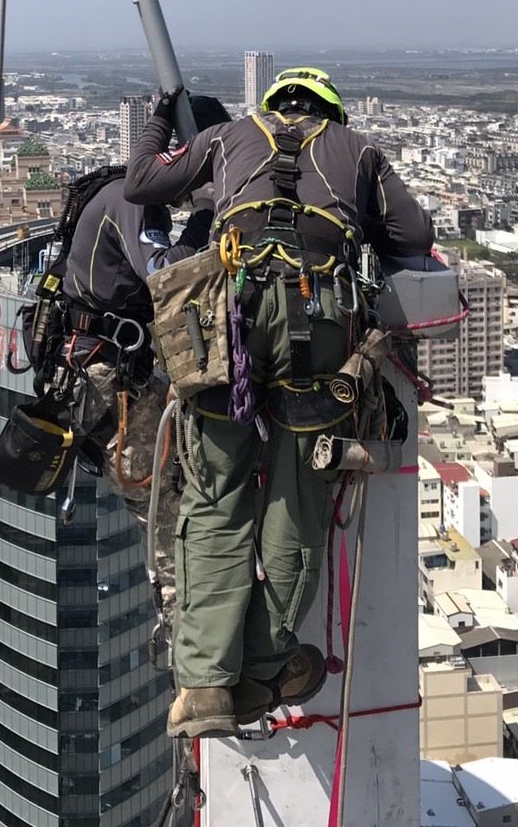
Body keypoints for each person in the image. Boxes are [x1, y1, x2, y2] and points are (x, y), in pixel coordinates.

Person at [123, 68, 434, 739]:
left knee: (216, 493)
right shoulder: (360, 150)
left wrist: (158, 119)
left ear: (272, 106)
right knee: (298, 490)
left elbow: (142, 182)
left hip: (227, 320)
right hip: (317, 321)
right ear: (331, 112)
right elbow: (413, 234)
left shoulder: (229, 135)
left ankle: (204, 685)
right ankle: (262, 668)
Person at [59, 93, 231, 633]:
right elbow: (164, 275)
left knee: (174, 475)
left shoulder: (121, 193)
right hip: (104, 375)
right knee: (160, 495)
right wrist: (204, 215)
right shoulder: (133, 202)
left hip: (104, 367)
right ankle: (184, 626)